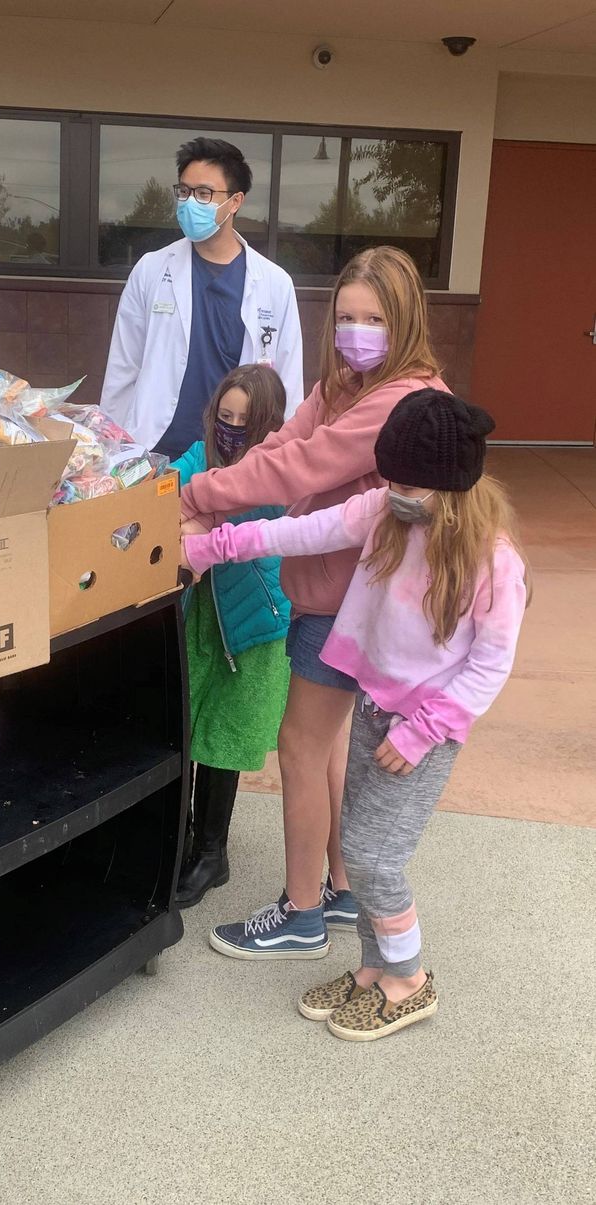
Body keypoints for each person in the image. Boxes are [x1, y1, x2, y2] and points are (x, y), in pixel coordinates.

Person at [181, 390, 528, 1039]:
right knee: (366, 839)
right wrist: (220, 543)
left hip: (425, 729)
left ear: (453, 484)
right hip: (375, 704)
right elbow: (303, 530)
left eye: (407, 481)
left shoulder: (492, 557)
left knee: (372, 856)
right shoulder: (389, 510)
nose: (392, 490)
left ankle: (409, 977)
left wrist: (428, 728)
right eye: (389, 476)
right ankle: (375, 964)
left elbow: (492, 659)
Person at [179, 245, 449, 960]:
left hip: (355, 603)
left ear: (406, 321)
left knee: (300, 746)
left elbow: (302, 465)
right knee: (323, 747)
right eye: (346, 317)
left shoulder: (399, 398)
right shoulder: (344, 385)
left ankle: (300, 911)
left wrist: (197, 498)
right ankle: (338, 885)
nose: (356, 332)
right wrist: (213, 506)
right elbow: (281, 446)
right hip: (333, 592)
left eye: (374, 318)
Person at [100, 138, 303, 460]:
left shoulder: (275, 283)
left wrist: (281, 459)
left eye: (204, 194)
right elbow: (123, 368)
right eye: (184, 192)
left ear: (235, 201)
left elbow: (287, 384)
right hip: (156, 447)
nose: (190, 202)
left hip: (235, 454)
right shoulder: (151, 269)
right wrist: (110, 447)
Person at [171, 364, 291, 908]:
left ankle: (211, 853)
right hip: (202, 616)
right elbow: (170, 488)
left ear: (268, 424)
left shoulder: (280, 469)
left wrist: (197, 517)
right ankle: (187, 840)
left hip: (251, 623)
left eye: (246, 420)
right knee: (188, 725)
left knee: (222, 736)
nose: (232, 429)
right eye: (225, 416)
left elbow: (240, 510)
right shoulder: (203, 455)